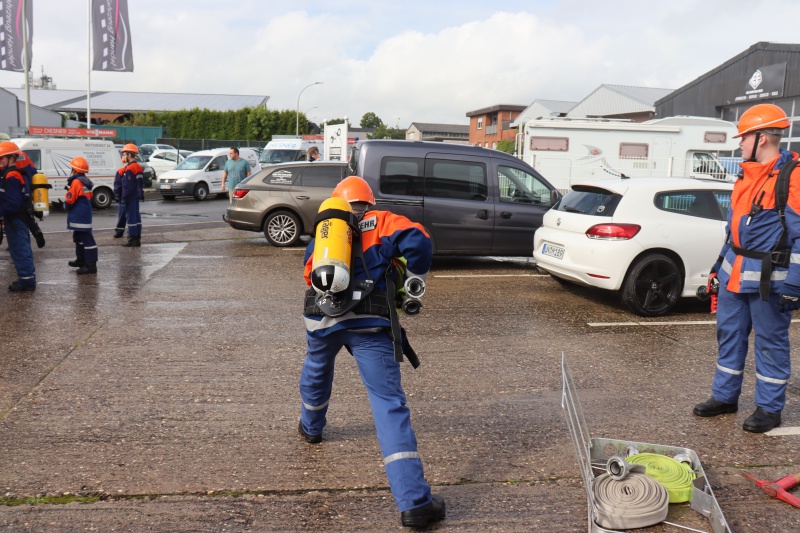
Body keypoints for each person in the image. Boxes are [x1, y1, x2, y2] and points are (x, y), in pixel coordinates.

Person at [298, 176, 445, 528]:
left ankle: (311, 427)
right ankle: (414, 503)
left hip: (321, 321)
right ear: (368, 202)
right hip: (369, 324)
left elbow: (309, 275)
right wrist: (415, 279)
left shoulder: (324, 233)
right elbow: (419, 240)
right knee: (387, 402)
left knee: (317, 368)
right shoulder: (380, 221)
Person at [693, 103, 800, 433]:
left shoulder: (793, 177)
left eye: (744, 137)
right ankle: (725, 397)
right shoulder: (746, 175)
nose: (739, 143)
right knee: (729, 336)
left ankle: (769, 408)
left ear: (762, 138)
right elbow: (734, 231)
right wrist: (717, 266)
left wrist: (795, 285)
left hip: (770, 281)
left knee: (770, 343)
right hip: (733, 274)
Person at [0, 141, 36, 291]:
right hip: (17, 218)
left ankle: (26, 282)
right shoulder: (14, 173)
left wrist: (2, 212)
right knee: (21, 249)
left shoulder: (12, 175)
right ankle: (27, 278)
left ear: (12, 158)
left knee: (20, 250)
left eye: (1, 158)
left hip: (15, 219)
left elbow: (12, 203)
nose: (0, 161)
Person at [65, 157, 98, 275]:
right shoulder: (85, 181)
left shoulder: (76, 182)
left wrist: (65, 205)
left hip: (79, 216)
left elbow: (70, 199)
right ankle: (81, 260)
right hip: (83, 215)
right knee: (79, 238)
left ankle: (90, 265)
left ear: (74, 169)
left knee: (87, 240)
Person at [119, 144, 144, 247]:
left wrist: (124, 198)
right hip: (136, 196)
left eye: (124, 154)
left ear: (129, 155)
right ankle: (137, 238)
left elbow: (127, 186)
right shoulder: (138, 167)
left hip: (130, 197)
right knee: (137, 218)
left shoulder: (130, 168)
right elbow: (139, 184)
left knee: (131, 218)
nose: (123, 156)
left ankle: (132, 239)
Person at [113, 156, 127, 239]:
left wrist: (117, 196)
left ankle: (119, 231)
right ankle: (120, 231)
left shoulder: (122, 171)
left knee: (122, 215)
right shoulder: (121, 171)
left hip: (123, 196)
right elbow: (117, 185)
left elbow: (117, 185)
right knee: (123, 215)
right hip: (123, 196)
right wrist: (117, 196)